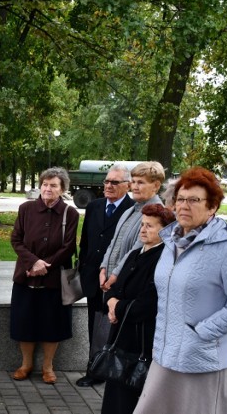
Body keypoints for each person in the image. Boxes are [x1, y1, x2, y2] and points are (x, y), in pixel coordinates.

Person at [133, 167, 227, 414]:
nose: (184, 206)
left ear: (212, 207)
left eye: (194, 200)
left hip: (204, 360)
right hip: (165, 355)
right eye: (180, 199)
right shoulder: (171, 241)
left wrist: (200, 333)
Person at [84, 161, 165, 387]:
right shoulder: (131, 209)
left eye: (140, 183)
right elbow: (113, 244)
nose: (134, 187)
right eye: (134, 182)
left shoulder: (154, 212)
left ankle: (111, 375)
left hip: (126, 285)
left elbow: (135, 250)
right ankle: (102, 370)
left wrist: (114, 276)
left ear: (156, 186)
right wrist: (102, 268)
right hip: (110, 281)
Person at [100, 204, 175, 414]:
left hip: (140, 338)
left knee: (131, 395)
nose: (143, 230)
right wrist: (111, 303)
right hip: (120, 334)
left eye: (150, 226)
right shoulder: (135, 254)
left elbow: (147, 304)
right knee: (115, 391)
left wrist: (116, 306)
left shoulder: (162, 259)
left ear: (164, 230)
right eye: (142, 225)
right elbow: (111, 288)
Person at [10, 167, 79, 385]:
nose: (48, 189)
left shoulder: (71, 213)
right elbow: (16, 240)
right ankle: (26, 364)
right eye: (45, 184)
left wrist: (45, 266)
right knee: (24, 322)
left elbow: (68, 247)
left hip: (54, 279)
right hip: (26, 275)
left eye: (53, 185)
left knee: (52, 324)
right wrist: (34, 262)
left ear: (63, 189)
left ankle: (48, 367)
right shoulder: (26, 209)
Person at [75, 164, 134, 387]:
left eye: (114, 182)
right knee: (94, 324)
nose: (108, 186)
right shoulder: (94, 206)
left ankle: (113, 369)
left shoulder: (132, 209)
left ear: (127, 186)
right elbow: (86, 241)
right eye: (107, 181)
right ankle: (95, 368)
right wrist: (84, 268)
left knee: (113, 324)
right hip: (93, 277)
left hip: (117, 280)